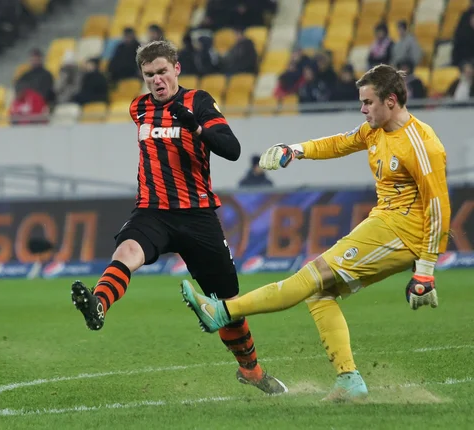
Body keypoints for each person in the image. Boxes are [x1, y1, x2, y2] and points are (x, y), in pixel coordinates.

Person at [180, 64, 451, 402]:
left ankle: (223, 311)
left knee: (313, 274)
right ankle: (349, 381)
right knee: (319, 294)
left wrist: (426, 269)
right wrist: (296, 150)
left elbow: (438, 205)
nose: (363, 109)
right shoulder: (375, 131)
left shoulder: (422, 143)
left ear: (391, 101)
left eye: (368, 102)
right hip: (383, 223)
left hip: (403, 232)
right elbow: (340, 143)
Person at [70, 40, 287, 396]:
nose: (156, 80)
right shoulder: (137, 108)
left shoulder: (198, 101)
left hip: (197, 215)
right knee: (126, 252)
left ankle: (251, 370)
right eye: (149, 75)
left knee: (226, 303)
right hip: (152, 210)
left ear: (176, 69)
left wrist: (197, 128)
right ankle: (99, 303)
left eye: (162, 72)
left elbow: (232, 150)